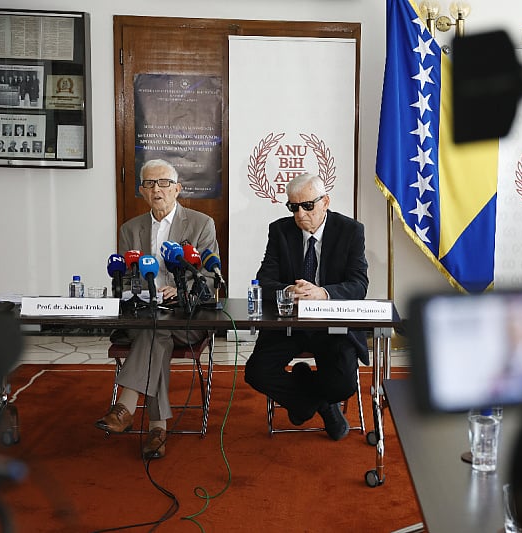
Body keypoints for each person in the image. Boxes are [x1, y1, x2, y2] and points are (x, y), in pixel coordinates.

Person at [94, 159, 219, 459]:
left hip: (186, 317)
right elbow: (125, 277)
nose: (157, 190)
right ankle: (156, 429)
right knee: (155, 332)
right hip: (145, 316)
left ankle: (127, 407)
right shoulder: (130, 229)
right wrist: (135, 292)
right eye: (149, 184)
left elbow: (210, 276)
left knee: (157, 331)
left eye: (164, 183)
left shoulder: (201, 224)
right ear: (141, 190)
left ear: (177, 188)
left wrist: (181, 289)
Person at [244, 173, 369, 441]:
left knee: (343, 385)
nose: (300, 214)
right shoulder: (280, 230)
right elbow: (264, 281)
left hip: (332, 326)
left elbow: (359, 285)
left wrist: (323, 293)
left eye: (307, 206)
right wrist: (289, 290)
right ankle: (320, 405)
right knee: (256, 372)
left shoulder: (350, 230)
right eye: (293, 207)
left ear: (325, 202)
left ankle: (304, 387)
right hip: (290, 324)